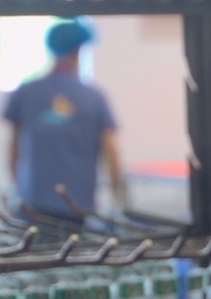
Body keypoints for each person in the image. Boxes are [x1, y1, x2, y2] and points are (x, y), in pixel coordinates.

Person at [4, 20, 125, 223]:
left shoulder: (26, 92)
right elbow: (110, 149)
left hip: (32, 201)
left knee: (34, 243)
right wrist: (118, 196)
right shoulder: (94, 97)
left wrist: (17, 188)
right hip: (77, 204)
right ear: (78, 51)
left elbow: (14, 148)